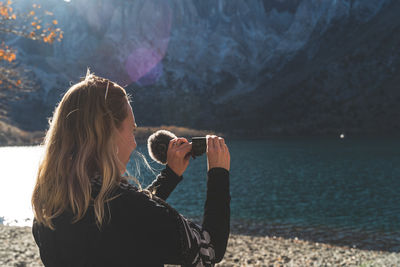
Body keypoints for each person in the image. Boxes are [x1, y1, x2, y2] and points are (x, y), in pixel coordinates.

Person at [31, 71, 231, 267]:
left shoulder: (47, 209)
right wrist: (218, 174)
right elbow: (210, 250)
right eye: (132, 130)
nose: (134, 143)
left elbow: (130, 217)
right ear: (108, 135)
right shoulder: (129, 208)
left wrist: (170, 175)